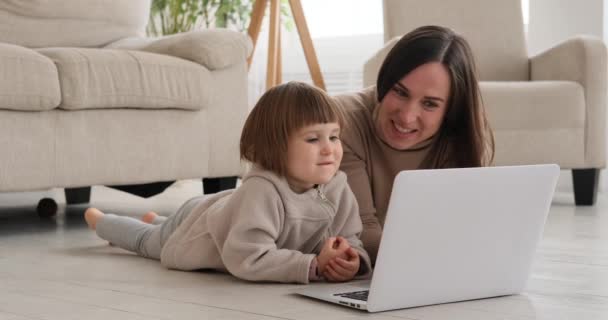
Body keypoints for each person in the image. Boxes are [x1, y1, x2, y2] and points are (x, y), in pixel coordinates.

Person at [84, 81, 372, 284]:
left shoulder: (338, 187)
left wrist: (352, 259)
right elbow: (247, 257)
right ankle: (102, 221)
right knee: (148, 241)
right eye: (313, 139)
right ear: (275, 147)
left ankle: (157, 219)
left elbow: (352, 237)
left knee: (160, 227)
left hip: (226, 209)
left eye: (334, 136)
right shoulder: (263, 191)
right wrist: (312, 266)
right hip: (197, 224)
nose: (329, 149)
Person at [335, 25, 495, 263]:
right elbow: (362, 229)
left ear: (451, 110)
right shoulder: (341, 120)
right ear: (385, 81)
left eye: (430, 104)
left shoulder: (463, 137)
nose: (407, 116)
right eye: (400, 92)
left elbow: (459, 227)